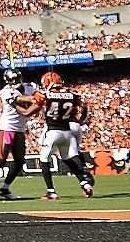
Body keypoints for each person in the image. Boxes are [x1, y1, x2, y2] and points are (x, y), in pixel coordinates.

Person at [35, 71, 94, 200]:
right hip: (67, 131)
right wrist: (82, 119)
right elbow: (84, 105)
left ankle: (51, 191)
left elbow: (36, 104)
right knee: (67, 157)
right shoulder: (72, 94)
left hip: (53, 131)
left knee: (44, 158)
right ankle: (85, 184)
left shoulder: (44, 94)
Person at [0, 70, 34, 201]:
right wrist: (36, 99)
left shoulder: (29, 87)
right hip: (7, 128)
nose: (15, 82)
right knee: (1, 159)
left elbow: (37, 94)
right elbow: (20, 100)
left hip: (20, 129)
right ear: (7, 81)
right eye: (12, 80)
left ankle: (4, 188)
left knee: (20, 161)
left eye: (16, 79)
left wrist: (41, 96)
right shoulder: (6, 91)